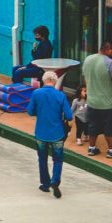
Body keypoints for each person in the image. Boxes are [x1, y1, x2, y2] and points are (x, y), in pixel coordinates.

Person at [29, 70, 73, 198]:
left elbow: (30, 111)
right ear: (55, 81)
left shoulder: (36, 93)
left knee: (42, 159)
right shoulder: (60, 95)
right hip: (57, 132)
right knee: (58, 159)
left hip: (41, 131)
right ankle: (55, 180)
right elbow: (69, 115)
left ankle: (45, 183)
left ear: (43, 80)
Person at [79, 47, 112, 158]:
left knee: (93, 126)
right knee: (110, 127)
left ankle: (92, 148)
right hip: (109, 103)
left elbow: (85, 77)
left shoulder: (88, 59)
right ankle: (111, 151)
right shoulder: (110, 63)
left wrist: (90, 89)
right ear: (108, 49)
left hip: (92, 101)